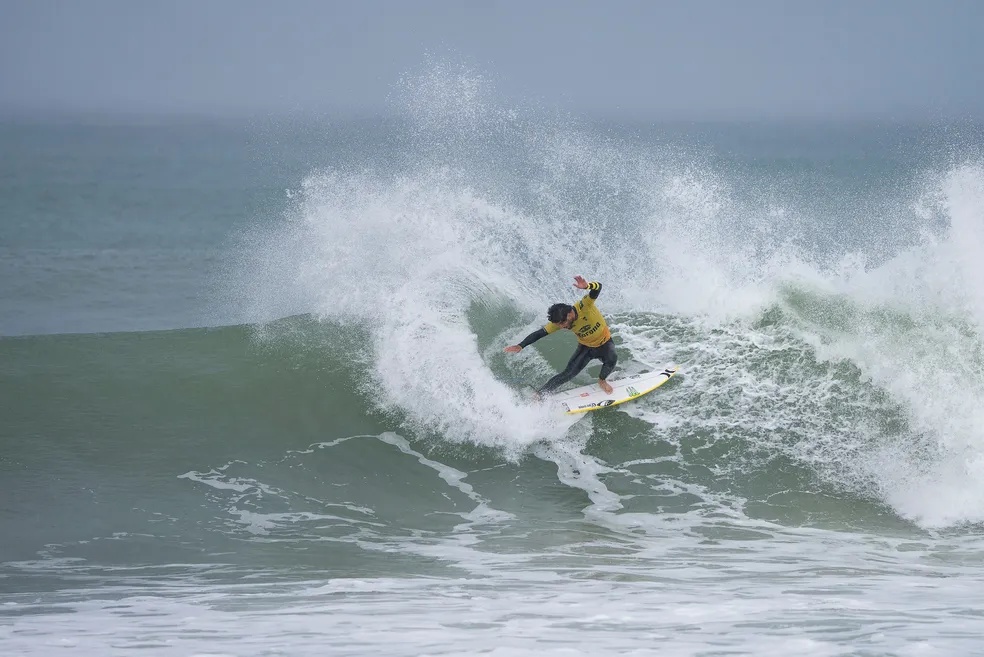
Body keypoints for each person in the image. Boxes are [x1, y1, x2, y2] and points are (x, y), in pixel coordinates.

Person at [504, 275, 617, 396]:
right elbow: (540, 333)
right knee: (567, 374)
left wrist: (587, 286)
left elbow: (598, 287)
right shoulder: (559, 323)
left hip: (605, 342)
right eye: (559, 325)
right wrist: (521, 345)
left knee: (611, 359)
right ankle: (540, 394)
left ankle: (602, 380)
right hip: (586, 347)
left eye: (563, 324)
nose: (562, 327)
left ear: (569, 314)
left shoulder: (585, 306)